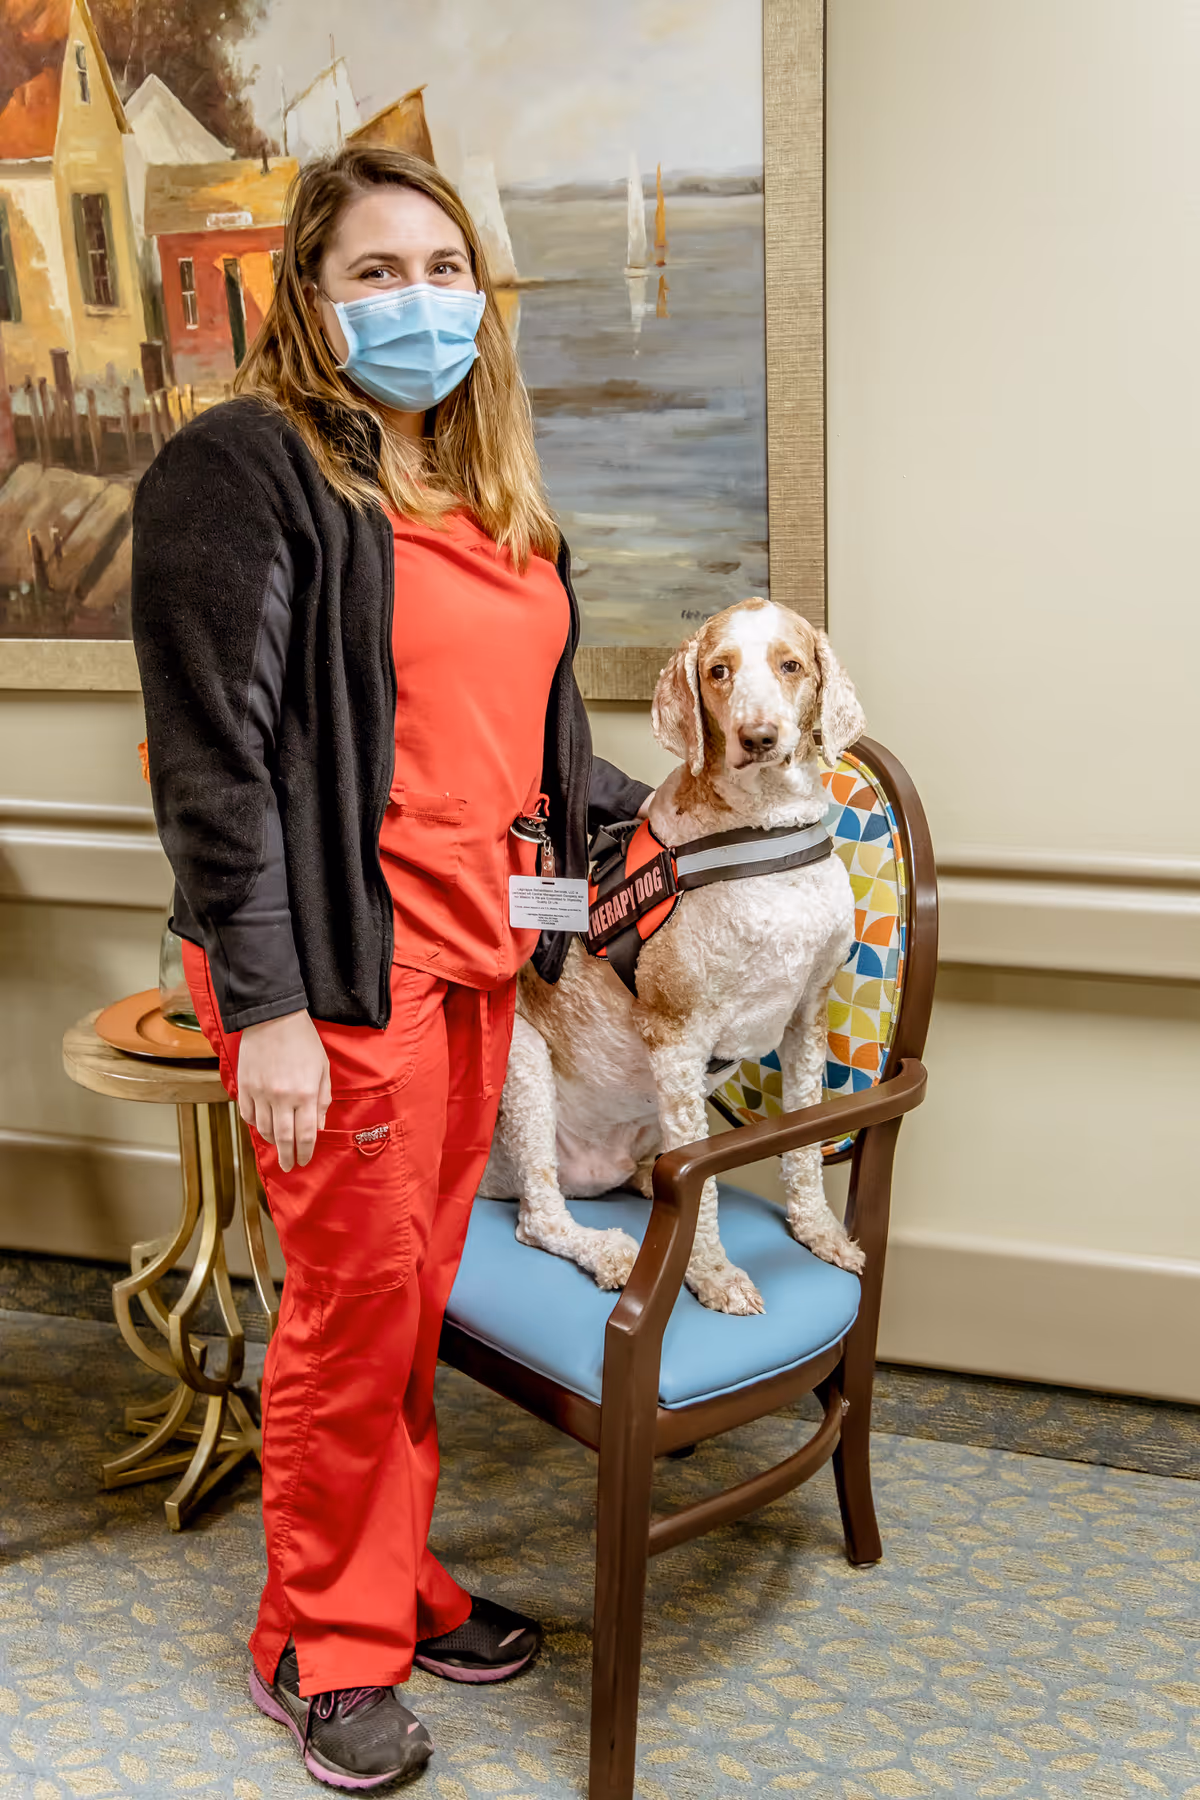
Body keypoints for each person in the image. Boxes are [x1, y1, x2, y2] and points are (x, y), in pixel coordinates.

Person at [131, 145, 651, 1792]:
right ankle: (318, 1641)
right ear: (309, 293)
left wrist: (676, 826)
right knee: (353, 1318)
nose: (417, 301)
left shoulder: (494, 498)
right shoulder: (248, 469)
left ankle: (399, 1583)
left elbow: (538, 746)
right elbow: (210, 768)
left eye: (442, 269)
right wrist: (267, 1007)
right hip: (338, 982)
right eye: (375, 272)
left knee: (408, 1301)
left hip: (477, 965)